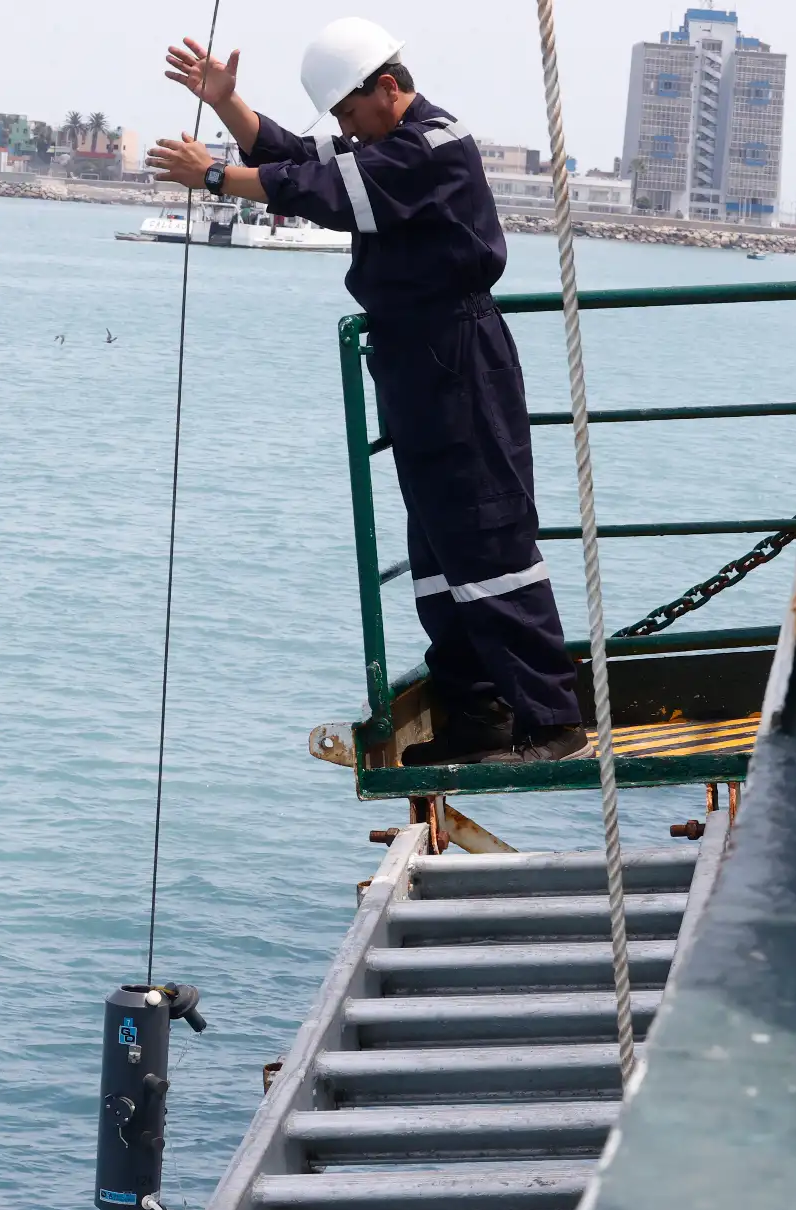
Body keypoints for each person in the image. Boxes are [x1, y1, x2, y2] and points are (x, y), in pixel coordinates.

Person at [144, 18, 588, 765]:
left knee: (489, 537)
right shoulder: (384, 142)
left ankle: (554, 722)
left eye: (349, 113)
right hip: (416, 361)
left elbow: (319, 190)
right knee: (440, 551)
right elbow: (296, 157)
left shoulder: (432, 148)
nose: (344, 129)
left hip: (460, 358)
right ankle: (476, 716)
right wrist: (227, 104)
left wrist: (215, 177)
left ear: (388, 89)